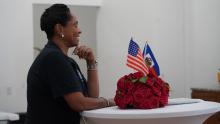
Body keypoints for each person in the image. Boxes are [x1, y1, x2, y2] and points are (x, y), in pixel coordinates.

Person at [25, 4, 114, 124]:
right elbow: (79, 103)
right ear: (60, 29)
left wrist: (91, 62)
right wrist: (110, 102)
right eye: (75, 25)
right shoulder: (53, 58)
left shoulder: (66, 60)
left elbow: (92, 97)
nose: (79, 30)